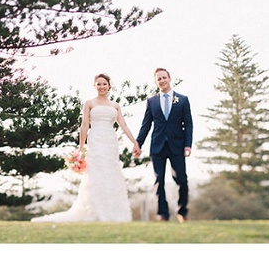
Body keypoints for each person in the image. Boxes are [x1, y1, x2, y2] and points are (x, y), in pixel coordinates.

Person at [32, 73, 141, 222]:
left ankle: (115, 212)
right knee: (96, 173)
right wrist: (81, 148)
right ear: (94, 85)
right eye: (98, 84)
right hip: (95, 140)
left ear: (109, 86)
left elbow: (124, 125)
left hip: (110, 142)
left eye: (104, 84)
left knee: (111, 173)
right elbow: (84, 125)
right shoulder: (89, 103)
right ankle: (96, 210)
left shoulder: (115, 105)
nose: (101, 86)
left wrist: (134, 142)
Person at [136, 67, 193, 222]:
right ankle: (163, 214)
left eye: (164, 77)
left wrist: (188, 145)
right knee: (158, 180)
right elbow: (146, 125)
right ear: (156, 82)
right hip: (157, 147)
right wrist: (138, 144)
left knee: (182, 180)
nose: (162, 81)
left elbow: (188, 124)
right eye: (159, 79)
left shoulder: (183, 100)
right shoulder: (151, 101)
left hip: (178, 146)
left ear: (169, 78)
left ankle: (182, 211)